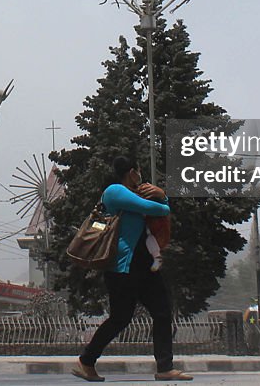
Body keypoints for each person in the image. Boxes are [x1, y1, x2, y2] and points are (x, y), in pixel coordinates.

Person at [72, 158, 193, 382]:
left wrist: (160, 195)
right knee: (120, 318)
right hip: (122, 267)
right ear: (131, 173)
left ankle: (165, 367)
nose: (141, 176)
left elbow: (155, 210)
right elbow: (155, 208)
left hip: (143, 266)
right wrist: (162, 197)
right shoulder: (114, 191)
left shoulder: (132, 194)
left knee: (162, 311)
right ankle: (86, 361)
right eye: (138, 171)